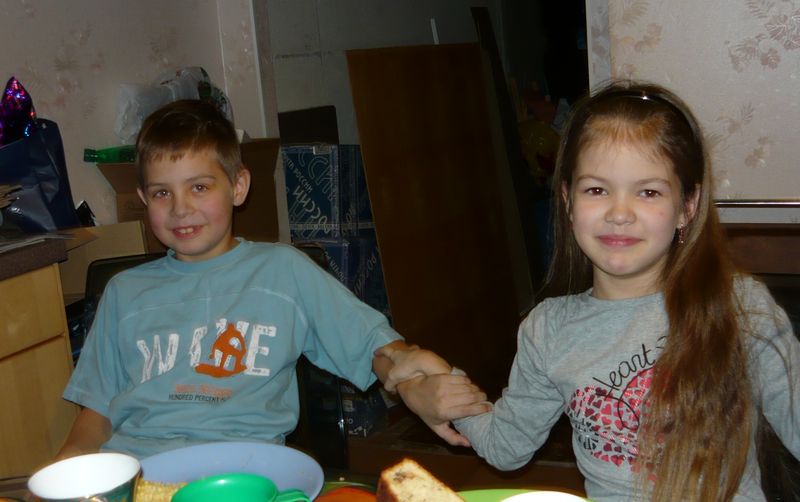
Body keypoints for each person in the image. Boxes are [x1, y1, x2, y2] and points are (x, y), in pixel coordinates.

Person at [384, 81, 799, 501]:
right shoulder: (548, 329)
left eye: (648, 192)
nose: (619, 213)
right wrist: (439, 381)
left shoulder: (740, 306)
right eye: (597, 190)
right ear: (568, 200)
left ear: (686, 207)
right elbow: (506, 448)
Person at [57, 99, 487, 460]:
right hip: (139, 473)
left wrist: (411, 383)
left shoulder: (283, 271)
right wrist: (66, 469)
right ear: (143, 199)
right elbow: (95, 414)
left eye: (199, 187)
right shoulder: (124, 293)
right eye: (162, 193)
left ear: (238, 186)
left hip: (247, 473)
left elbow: (374, 346)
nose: (180, 208)